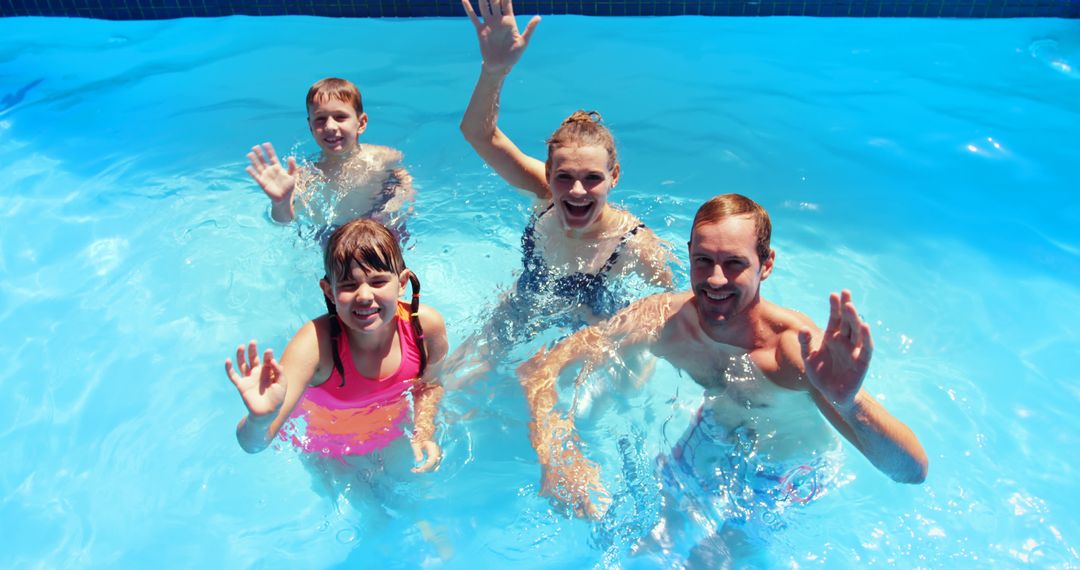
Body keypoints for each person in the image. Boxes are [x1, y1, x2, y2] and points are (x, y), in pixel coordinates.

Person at [518, 193, 928, 556]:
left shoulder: (793, 350)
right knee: (635, 549)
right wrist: (557, 457)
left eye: (734, 264)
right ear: (690, 253)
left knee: (715, 560)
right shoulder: (663, 319)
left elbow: (910, 471)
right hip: (707, 440)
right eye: (704, 261)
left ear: (766, 265)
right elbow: (540, 369)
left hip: (783, 473)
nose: (715, 279)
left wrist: (849, 401)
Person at [452, 0, 674, 377]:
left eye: (593, 178)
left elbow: (666, 311)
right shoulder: (543, 195)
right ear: (548, 174)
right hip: (525, 305)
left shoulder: (635, 243)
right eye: (564, 177)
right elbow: (478, 134)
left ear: (614, 176)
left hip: (596, 328)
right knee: (454, 379)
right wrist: (494, 71)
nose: (576, 191)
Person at [225, 218, 447, 472]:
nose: (364, 296)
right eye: (348, 285)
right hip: (328, 448)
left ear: (402, 282)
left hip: (391, 432)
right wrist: (259, 420)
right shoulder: (314, 347)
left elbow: (430, 385)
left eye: (378, 282)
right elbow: (253, 445)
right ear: (328, 291)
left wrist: (424, 432)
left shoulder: (425, 327)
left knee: (410, 504)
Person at [244, 78, 414, 234]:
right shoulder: (306, 176)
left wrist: (398, 204)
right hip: (332, 237)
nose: (330, 126)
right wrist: (280, 202)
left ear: (361, 123)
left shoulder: (384, 157)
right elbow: (282, 222)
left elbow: (402, 181)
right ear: (310, 126)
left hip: (380, 228)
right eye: (320, 119)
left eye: (340, 117)